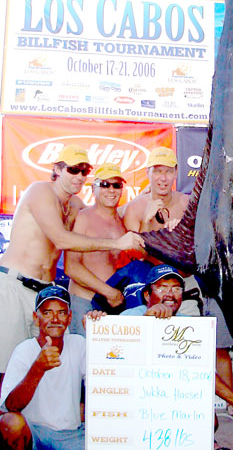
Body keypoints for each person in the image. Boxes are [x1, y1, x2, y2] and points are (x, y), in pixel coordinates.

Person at [0, 145, 144, 378]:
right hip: (15, 285)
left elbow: (104, 214)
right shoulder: (40, 191)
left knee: (45, 368)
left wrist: (144, 207)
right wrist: (117, 244)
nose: (79, 176)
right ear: (57, 169)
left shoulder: (75, 205)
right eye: (74, 170)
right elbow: (61, 238)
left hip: (44, 293)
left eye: (84, 171)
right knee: (6, 367)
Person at [123, 146, 233, 415]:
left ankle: (202, 409)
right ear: (148, 173)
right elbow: (131, 252)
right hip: (151, 291)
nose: (162, 177)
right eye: (157, 171)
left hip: (185, 288)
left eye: (168, 171)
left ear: (176, 173)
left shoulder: (188, 203)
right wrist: (150, 223)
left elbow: (204, 244)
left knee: (191, 351)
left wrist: (182, 235)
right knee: (150, 353)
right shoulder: (135, 207)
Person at [114, 264, 233, 450]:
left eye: (176, 288)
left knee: (209, 422)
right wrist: (147, 322)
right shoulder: (128, 317)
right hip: (138, 402)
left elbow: (202, 370)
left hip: (169, 398)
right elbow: (115, 359)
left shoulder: (188, 322)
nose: (170, 294)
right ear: (147, 295)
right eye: (162, 288)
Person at [0, 286, 85, 450]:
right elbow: (11, 406)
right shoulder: (24, 350)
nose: (55, 318)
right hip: (33, 435)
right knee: (9, 422)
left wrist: (99, 331)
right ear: (36, 317)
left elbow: (104, 382)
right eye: (47, 312)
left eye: (61, 312)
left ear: (69, 317)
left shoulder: (79, 344)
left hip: (67, 435)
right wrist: (37, 368)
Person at [64, 163, 128, 335]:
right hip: (85, 302)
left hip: (115, 305)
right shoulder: (83, 218)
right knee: (83, 357)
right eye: (105, 184)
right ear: (94, 188)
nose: (111, 190)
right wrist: (107, 292)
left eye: (116, 185)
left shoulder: (123, 221)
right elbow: (71, 266)